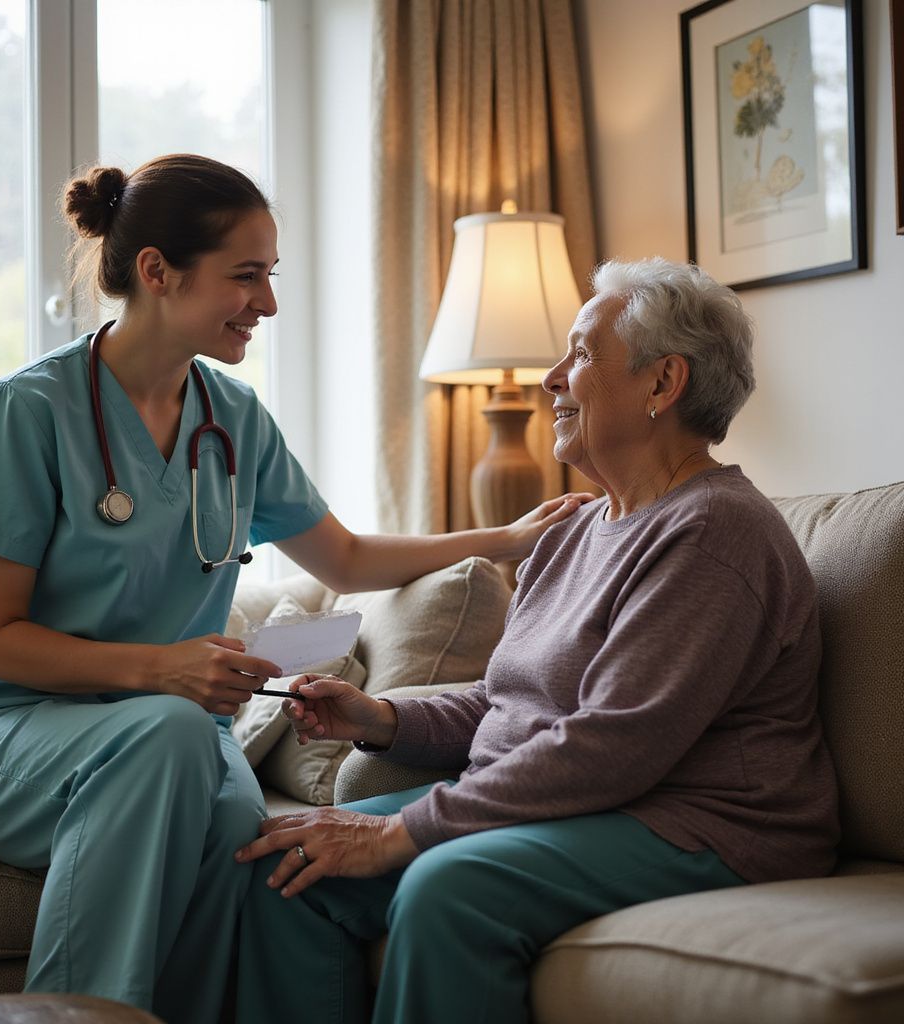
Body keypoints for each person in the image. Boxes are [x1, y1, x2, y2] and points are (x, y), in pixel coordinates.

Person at [0, 154, 582, 1024]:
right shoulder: (29, 411)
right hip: (3, 738)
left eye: (270, 277)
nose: (266, 304)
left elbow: (343, 558)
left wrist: (509, 537)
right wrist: (163, 671)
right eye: (246, 277)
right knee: (170, 737)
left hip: (174, 738)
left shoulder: (233, 417)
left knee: (264, 848)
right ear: (157, 272)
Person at [232, 257, 840, 1024]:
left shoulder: (715, 531)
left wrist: (402, 831)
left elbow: (616, 741)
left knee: (447, 885)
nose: (552, 377)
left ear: (663, 384)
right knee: (287, 861)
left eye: (582, 353)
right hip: (592, 804)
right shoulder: (575, 527)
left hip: (701, 823)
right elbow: (508, 702)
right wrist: (382, 719)